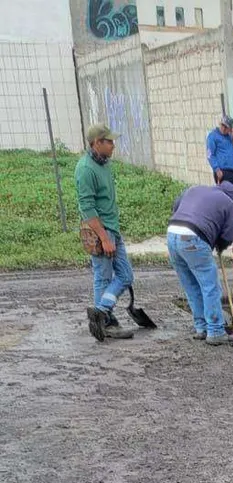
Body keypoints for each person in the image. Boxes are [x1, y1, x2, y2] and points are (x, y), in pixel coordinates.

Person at [75, 124, 135, 342]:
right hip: (101, 231)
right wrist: (103, 237)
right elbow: (87, 207)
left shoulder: (105, 164)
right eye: (109, 141)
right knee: (103, 277)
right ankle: (106, 322)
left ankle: (101, 311)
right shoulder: (85, 169)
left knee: (125, 275)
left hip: (112, 228)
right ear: (96, 143)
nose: (113, 145)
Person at [167, 181, 233, 344]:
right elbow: (229, 235)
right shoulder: (230, 203)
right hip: (193, 238)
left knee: (191, 285)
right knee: (210, 286)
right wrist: (220, 245)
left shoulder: (195, 189)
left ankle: (201, 327)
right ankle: (215, 331)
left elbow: (176, 206)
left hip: (172, 234)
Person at [206, 115, 233, 186]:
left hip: (232, 172)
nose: (224, 128)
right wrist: (217, 169)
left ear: (230, 129)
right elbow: (210, 155)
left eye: (226, 127)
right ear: (220, 124)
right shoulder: (213, 136)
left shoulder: (230, 137)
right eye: (222, 125)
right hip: (221, 172)